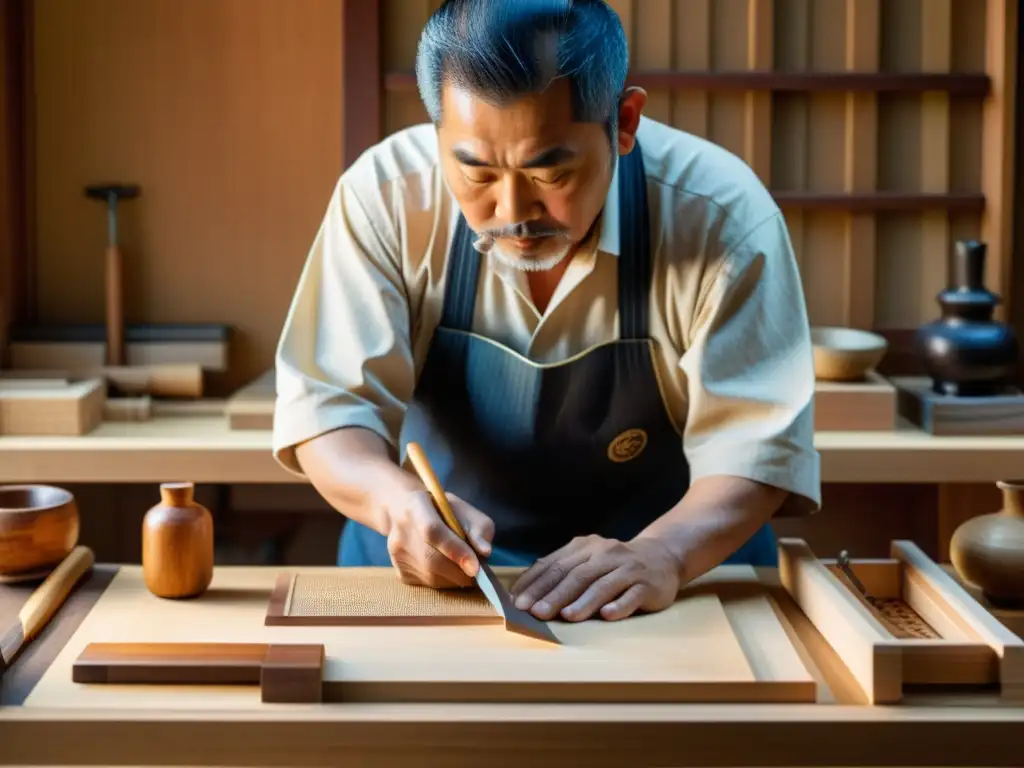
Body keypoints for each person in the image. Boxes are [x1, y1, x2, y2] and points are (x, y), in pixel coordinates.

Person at [272, 0, 821, 623]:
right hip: (435, 582)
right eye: (476, 172)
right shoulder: (385, 198)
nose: (513, 210)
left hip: (669, 579)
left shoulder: (718, 214)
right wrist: (394, 501)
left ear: (624, 121)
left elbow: (758, 449)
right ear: (438, 131)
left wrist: (664, 554)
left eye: (549, 171)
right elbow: (328, 409)